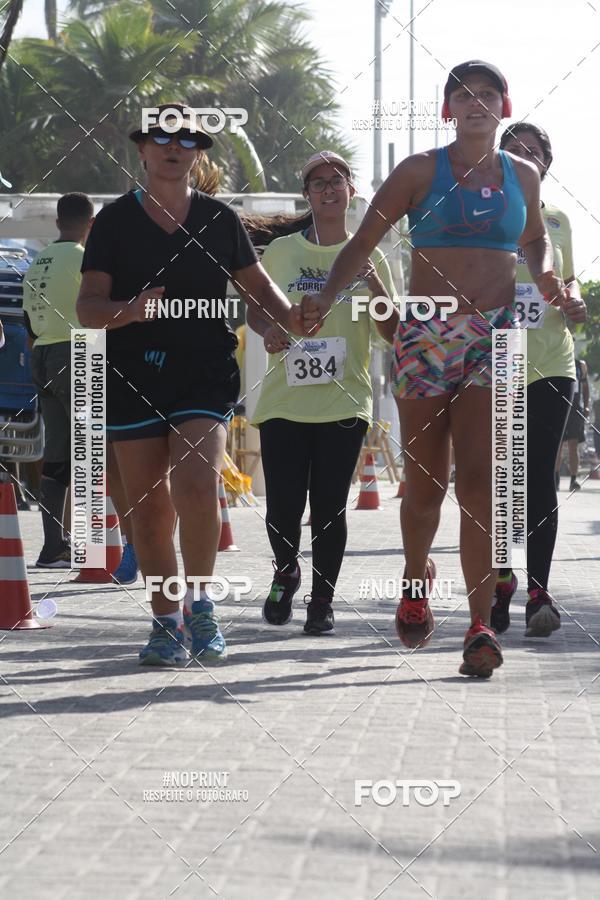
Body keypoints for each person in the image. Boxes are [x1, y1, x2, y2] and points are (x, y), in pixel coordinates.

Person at [300, 61, 568, 677]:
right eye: (463, 96)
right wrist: (323, 301)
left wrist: (550, 278)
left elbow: (533, 240)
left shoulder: (521, 173)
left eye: (489, 95)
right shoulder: (421, 170)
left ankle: (477, 626)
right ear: (448, 109)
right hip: (426, 330)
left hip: (495, 337)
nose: (477, 104)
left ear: (505, 105)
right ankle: (416, 580)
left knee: (482, 486)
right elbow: (363, 241)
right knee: (425, 489)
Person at [77, 103, 307, 666]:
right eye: (160, 137)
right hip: (133, 376)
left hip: (203, 373)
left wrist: (288, 323)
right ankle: (165, 620)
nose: (172, 147)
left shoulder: (219, 220)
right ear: (143, 150)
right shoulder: (112, 222)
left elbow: (260, 292)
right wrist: (129, 312)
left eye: (185, 139)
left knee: (199, 485)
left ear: (198, 153)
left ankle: (201, 606)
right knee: (149, 509)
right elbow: (87, 309)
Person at [247, 150, 398, 634]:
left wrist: (374, 282)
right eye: (319, 183)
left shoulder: (369, 254)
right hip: (284, 401)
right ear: (307, 195)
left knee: (330, 506)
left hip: (345, 399)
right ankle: (286, 570)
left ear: (351, 190)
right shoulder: (281, 252)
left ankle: (322, 602)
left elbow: (392, 332)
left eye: (338, 180)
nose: (329, 189)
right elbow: (254, 309)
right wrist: (269, 327)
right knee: (283, 507)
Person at [491, 122, 587, 636]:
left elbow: (566, 274)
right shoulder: (482, 214)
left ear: (546, 165)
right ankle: (501, 579)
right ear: (500, 158)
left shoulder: (558, 219)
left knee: (539, 477)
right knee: (502, 477)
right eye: (515, 151)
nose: (525, 158)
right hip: (499, 359)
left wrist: (571, 297)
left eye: (534, 153)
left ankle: (539, 592)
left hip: (552, 359)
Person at [22, 192, 94, 568]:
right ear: (90, 223)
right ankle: (91, 545)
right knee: (89, 450)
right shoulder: (85, 260)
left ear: (57, 223)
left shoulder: (37, 263)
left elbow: (28, 323)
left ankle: (54, 546)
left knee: (58, 453)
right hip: (78, 350)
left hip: (40, 356)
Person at [557, 356, 589, 492]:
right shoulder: (557, 361)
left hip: (575, 409)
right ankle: (555, 478)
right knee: (557, 445)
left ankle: (573, 479)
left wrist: (586, 406)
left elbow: (585, 387)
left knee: (573, 444)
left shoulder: (580, 365)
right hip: (559, 408)